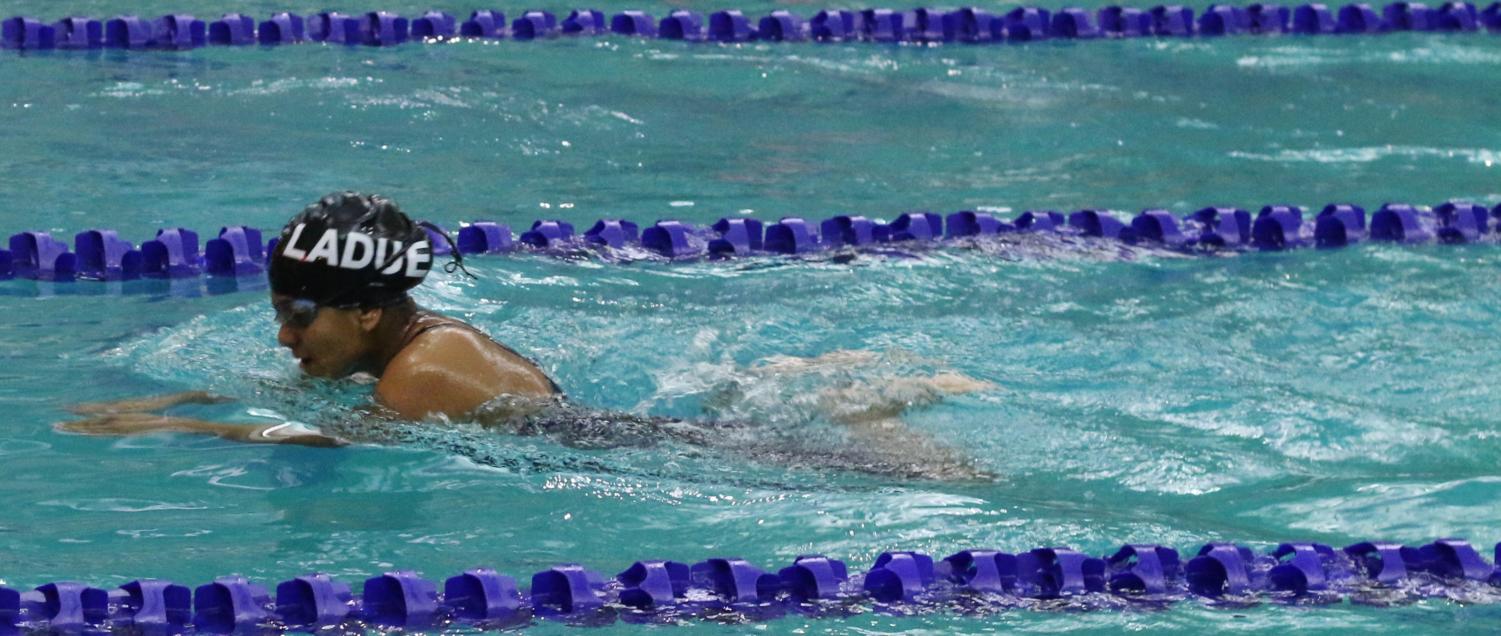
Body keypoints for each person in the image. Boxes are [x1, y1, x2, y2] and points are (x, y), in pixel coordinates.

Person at [59, 192, 993, 479]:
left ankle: (876, 430)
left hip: (637, 451)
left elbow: (324, 435)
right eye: (279, 311)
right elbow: (299, 397)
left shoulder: (417, 378)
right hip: (602, 423)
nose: (281, 336)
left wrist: (179, 429)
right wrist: (177, 394)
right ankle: (841, 400)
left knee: (860, 465)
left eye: (298, 315)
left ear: (369, 313)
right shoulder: (410, 343)